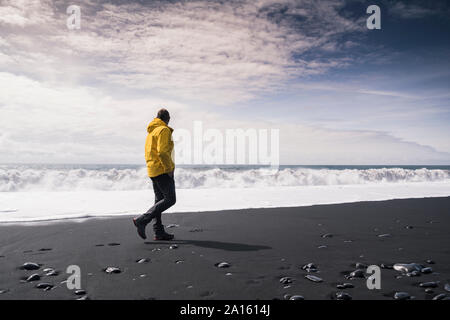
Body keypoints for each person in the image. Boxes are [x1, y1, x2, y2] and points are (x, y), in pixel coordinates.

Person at [133, 108, 176, 240]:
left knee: (158, 201)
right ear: (167, 119)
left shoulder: (151, 132)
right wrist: (169, 169)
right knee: (170, 199)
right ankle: (142, 219)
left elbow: (149, 152)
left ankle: (158, 232)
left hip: (152, 169)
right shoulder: (163, 130)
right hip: (162, 169)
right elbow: (162, 152)